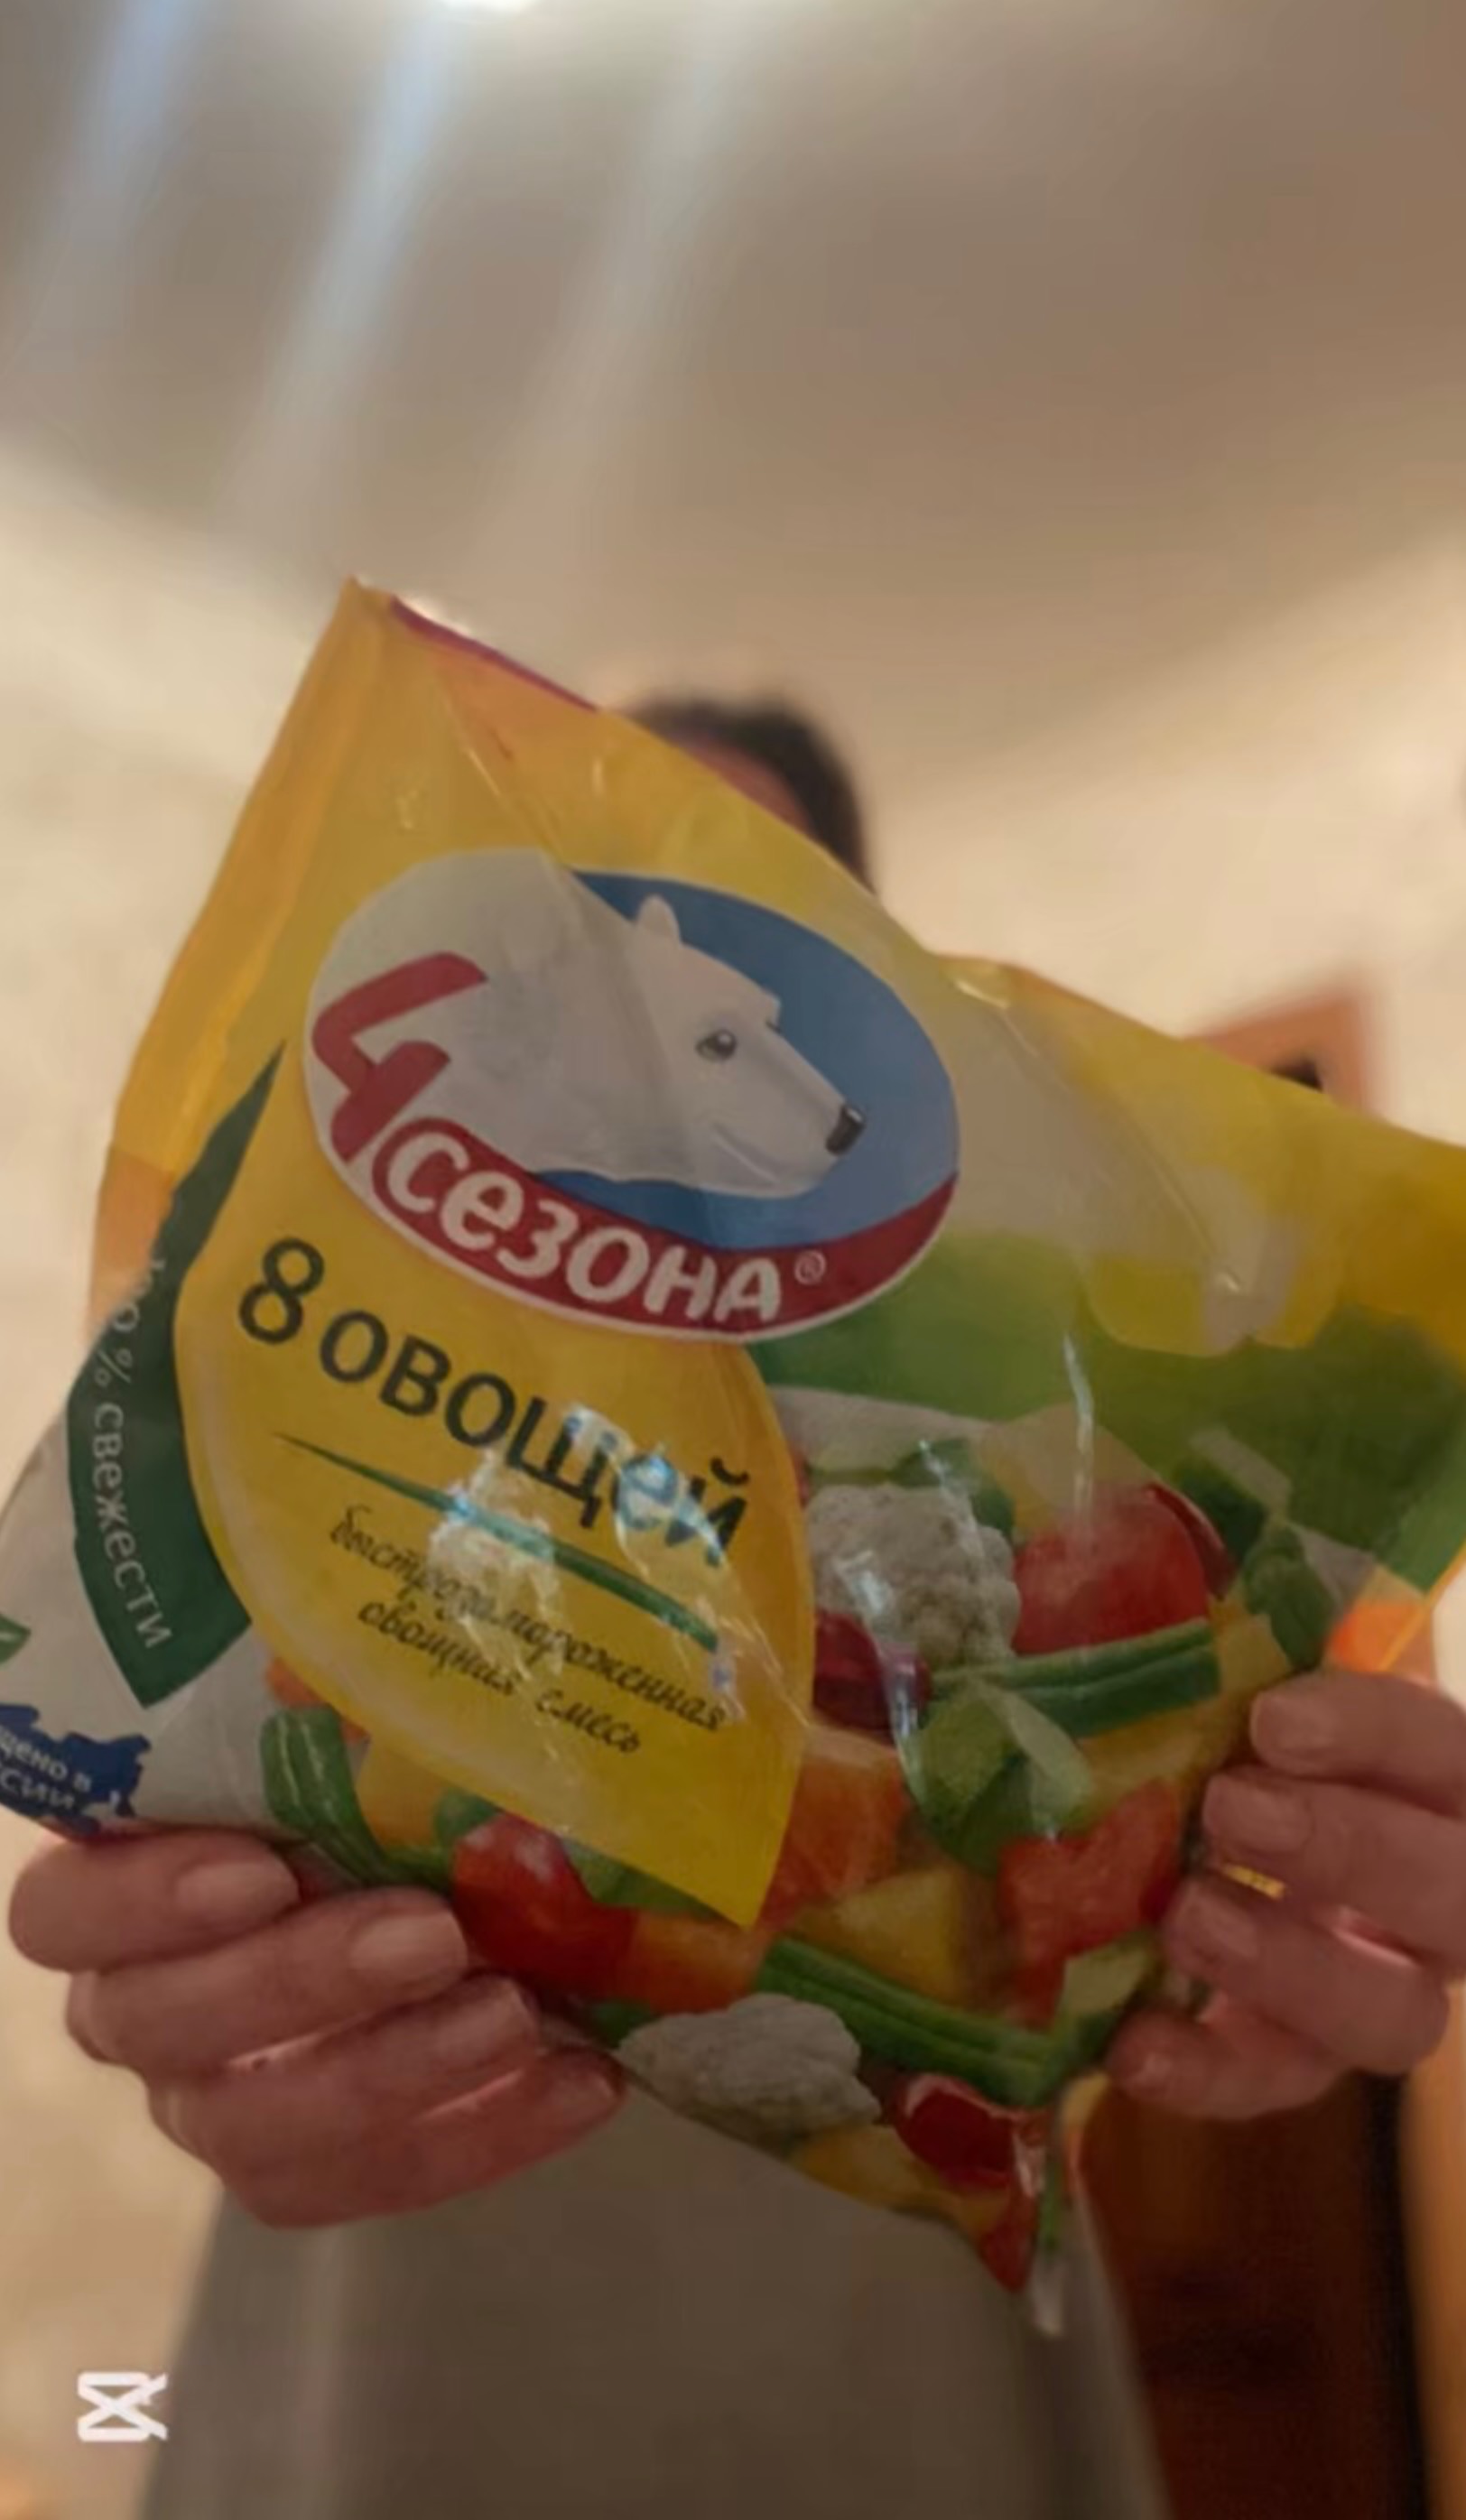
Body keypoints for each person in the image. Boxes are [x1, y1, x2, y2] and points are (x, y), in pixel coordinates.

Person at [9, 698, 1464, 2520]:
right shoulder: (321, 1391)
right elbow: (177, 1811)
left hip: (916, 2359)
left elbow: (1151, 1845)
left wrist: (1270, 1895)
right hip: (377, 2352)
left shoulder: (1020, 1418)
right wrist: (187, 1983)